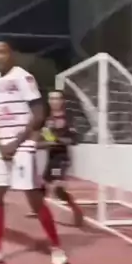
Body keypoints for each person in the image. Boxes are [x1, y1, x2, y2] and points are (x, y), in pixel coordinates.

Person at [0, 40, 67, 264]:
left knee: (33, 199)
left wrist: (15, 143)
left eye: (3, 51)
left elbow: (38, 114)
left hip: (22, 145)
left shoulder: (23, 77)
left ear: (11, 53)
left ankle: (56, 247)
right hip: (1, 147)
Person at [41, 90, 83, 226]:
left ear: (62, 101)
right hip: (51, 157)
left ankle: (76, 211)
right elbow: (44, 138)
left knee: (57, 189)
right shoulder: (47, 119)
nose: (54, 101)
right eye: (51, 98)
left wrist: (57, 141)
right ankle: (38, 208)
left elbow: (75, 140)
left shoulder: (68, 119)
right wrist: (41, 143)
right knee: (42, 185)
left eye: (57, 98)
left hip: (61, 158)